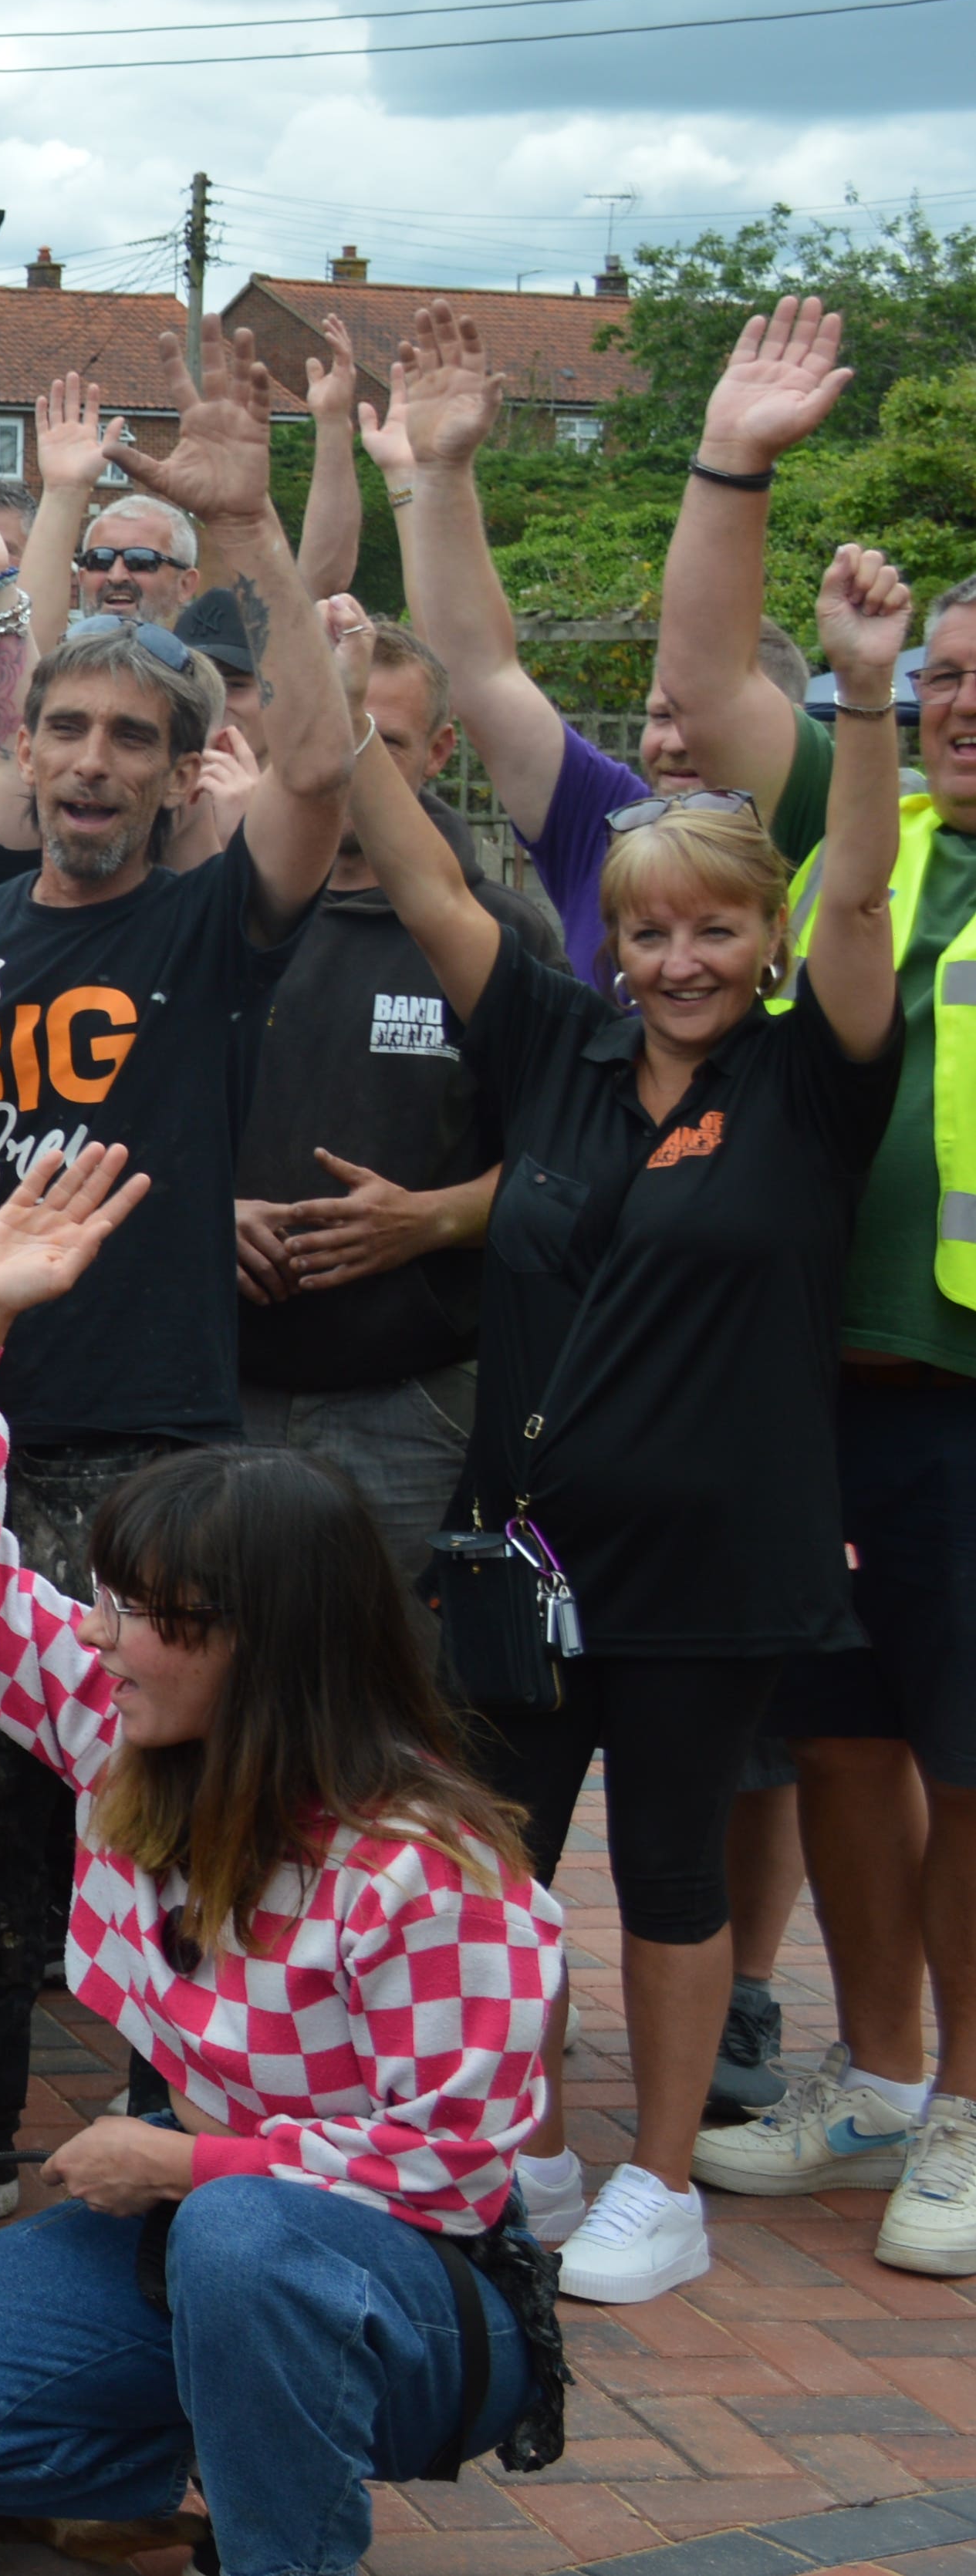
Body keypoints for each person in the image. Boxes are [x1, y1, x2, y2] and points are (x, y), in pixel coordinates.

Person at [0, 1145, 556, 2571]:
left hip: (396, 2285)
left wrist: (186, 2158)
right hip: (198, 2240)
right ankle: (228, 2438)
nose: (99, 1634)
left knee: (235, 2238)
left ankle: (280, 2541)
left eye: (145, 1613)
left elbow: (453, 2167)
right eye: (106, 1600)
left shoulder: (432, 1869)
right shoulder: (124, 1736)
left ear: (256, 1648)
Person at [349, 539, 914, 2301]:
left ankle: (655, 2188)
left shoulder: (811, 1080)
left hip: (709, 1560)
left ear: (762, 938)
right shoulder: (555, 1049)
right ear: (608, 930)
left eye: (714, 929)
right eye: (647, 927)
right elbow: (422, 862)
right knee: (495, 1861)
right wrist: (304, 649)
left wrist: (873, 698)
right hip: (522, 1551)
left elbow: (860, 897)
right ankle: (513, 2140)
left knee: (669, 1861)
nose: (676, 957)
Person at [0, 335, 357, 2217]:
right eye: (65, 727)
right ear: (29, 744)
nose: (89, 759)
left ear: (174, 774)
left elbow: (319, 762)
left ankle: (188, 2185)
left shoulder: (207, 925)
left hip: (152, 1462)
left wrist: (241, 517)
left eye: (131, 739)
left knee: (179, 1850)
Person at [645, 320, 976, 2271]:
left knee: (974, 1764)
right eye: (943, 680)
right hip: (820, 1400)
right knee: (845, 1747)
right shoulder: (874, 846)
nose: (956, 712)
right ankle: (886, 2082)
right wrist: (732, 458)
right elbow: (701, 681)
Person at [375, 302, 835, 992]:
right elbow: (478, 675)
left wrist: (735, 458)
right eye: (658, 717)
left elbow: (705, 673)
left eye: (699, 723)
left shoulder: (808, 831)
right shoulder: (605, 823)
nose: (675, 741)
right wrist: (439, 474)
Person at [232, 614, 550, 1566]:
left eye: (381, 740)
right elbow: (117, 1126)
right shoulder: (211, 915)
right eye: (326, 731)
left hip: (409, 1403)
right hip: (213, 1396)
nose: (342, 763)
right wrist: (203, 1210)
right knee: (219, 1700)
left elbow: (572, 1159)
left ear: (438, 752)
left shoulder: (494, 937)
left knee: (394, 1702)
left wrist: (433, 1217)